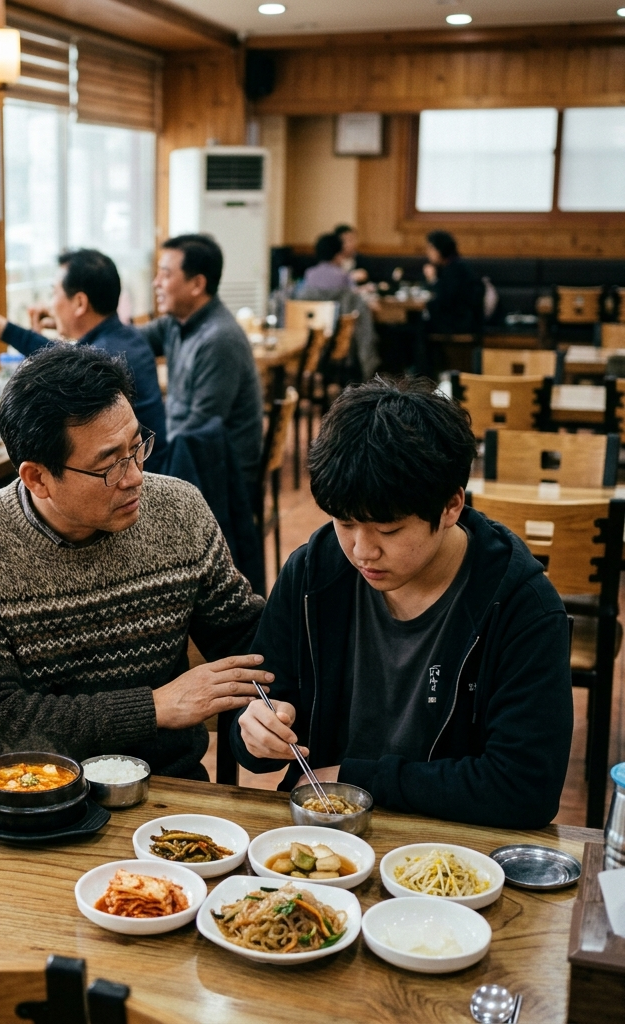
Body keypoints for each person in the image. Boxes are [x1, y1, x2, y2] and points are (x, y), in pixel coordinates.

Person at [231, 377, 572, 829]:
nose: (362, 551)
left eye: (388, 530)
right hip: (322, 835)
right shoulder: (313, 574)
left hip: (450, 846)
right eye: (344, 523)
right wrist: (256, 732)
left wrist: (358, 778)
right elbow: (258, 713)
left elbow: (526, 788)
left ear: (451, 507)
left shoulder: (520, 605)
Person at [0, 344, 267, 779]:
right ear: (37, 478)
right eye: (109, 466)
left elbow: (248, 640)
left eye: (136, 447)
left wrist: (275, 707)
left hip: (167, 784)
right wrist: (154, 707)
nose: (135, 477)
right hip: (31, 792)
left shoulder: (180, 510)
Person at [0, 248, 167, 469]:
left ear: (80, 303)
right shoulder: (128, 337)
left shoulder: (102, 359)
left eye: (53, 293)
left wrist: (0, 326)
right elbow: (66, 358)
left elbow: (65, 367)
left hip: (132, 474)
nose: (50, 305)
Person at [138, 234, 262, 492]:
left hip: (222, 475)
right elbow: (132, 342)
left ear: (197, 284)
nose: (156, 283)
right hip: (194, 457)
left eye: (165, 275)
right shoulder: (175, 322)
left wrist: (149, 453)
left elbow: (201, 426)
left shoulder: (220, 339)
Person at [296, 233, 379, 379]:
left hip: (309, 341)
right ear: (338, 255)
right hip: (337, 343)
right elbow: (355, 303)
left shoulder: (309, 275)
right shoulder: (343, 277)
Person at [422, 230, 483, 336]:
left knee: (416, 327)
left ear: (440, 249)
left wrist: (433, 280)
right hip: (459, 320)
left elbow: (446, 299)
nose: (428, 252)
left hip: (458, 323)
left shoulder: (456, 269)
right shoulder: (451, 266)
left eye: (431, 248)